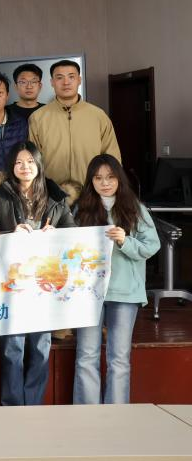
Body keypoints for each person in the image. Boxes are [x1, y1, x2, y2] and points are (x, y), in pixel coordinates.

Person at [0, 141, 76, 406]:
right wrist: (10, 233)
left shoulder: (56, 196)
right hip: (12, 285)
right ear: (11, 167)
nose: (25, 167)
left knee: (40, 347)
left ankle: (33, 405)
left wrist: (56, 234)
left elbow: (73, 234)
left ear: (39, 164)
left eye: (30, 161)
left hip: (44, 285)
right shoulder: (0, 195)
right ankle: (12, 406)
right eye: (18, 162)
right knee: (13, 348)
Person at [73, 155, 160, 405]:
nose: (105, 183)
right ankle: (87, 416)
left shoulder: (134, 208)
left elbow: (151, 245)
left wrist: (125, 241)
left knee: (119, 359)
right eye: (98, 178)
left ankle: (117, 416)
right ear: (91, 181)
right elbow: (68, 248)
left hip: (125, 292)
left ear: (119, 178)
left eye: (110, 177)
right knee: (86, 356)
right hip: (89, 293)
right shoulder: (81, 208)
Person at [28, 59, 121, 203]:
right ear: (52, 82)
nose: (66, 82)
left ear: (79, 80)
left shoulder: (98, 116)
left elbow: (112, 158)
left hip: (92, 194)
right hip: (52, 196)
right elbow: (32, 161)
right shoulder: (38, 118)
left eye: (71, 77)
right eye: (60, 78)